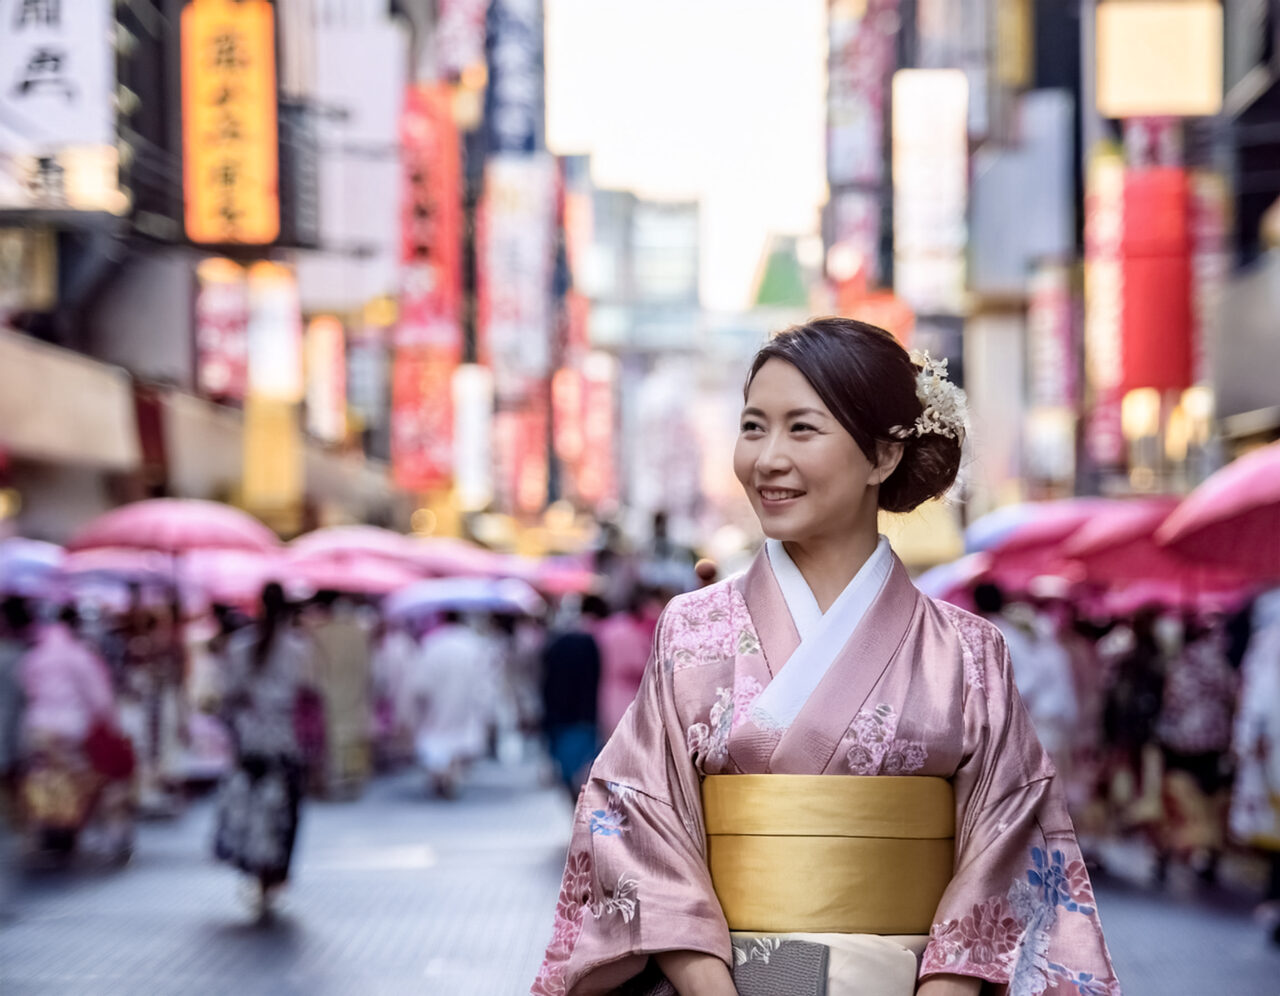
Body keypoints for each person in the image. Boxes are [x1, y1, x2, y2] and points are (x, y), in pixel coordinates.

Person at [531, 318, 1118, 996]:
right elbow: (636, 819)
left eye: (801, 428)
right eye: (753, 427)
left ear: (882, 457)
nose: (767, 458)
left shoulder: (968, 651)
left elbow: (1009, 840)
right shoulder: (691, 630)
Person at [212, 583, 307, 916]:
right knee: (283, 814)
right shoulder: (297, 649)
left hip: (250, 744)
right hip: (284, 746)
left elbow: (226, 697)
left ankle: (258, 874)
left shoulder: (240, 647)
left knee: (254, 812)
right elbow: (306, 700)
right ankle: (273, 877)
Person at [405, 610, 493, 798]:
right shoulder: (474, 644)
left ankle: (441, 773)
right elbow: (485, 682)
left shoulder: (432, 644)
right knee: (459, 740)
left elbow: (420, 683)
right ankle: (451, 774)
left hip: (437, 705)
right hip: (465, 704)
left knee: (438, 739)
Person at [540, 595, 609, 798]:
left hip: (559, 718)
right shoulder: (595, 642)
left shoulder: (557, 642)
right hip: (585, 717)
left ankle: (577, 812)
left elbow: (545, 681)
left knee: (571, 773)